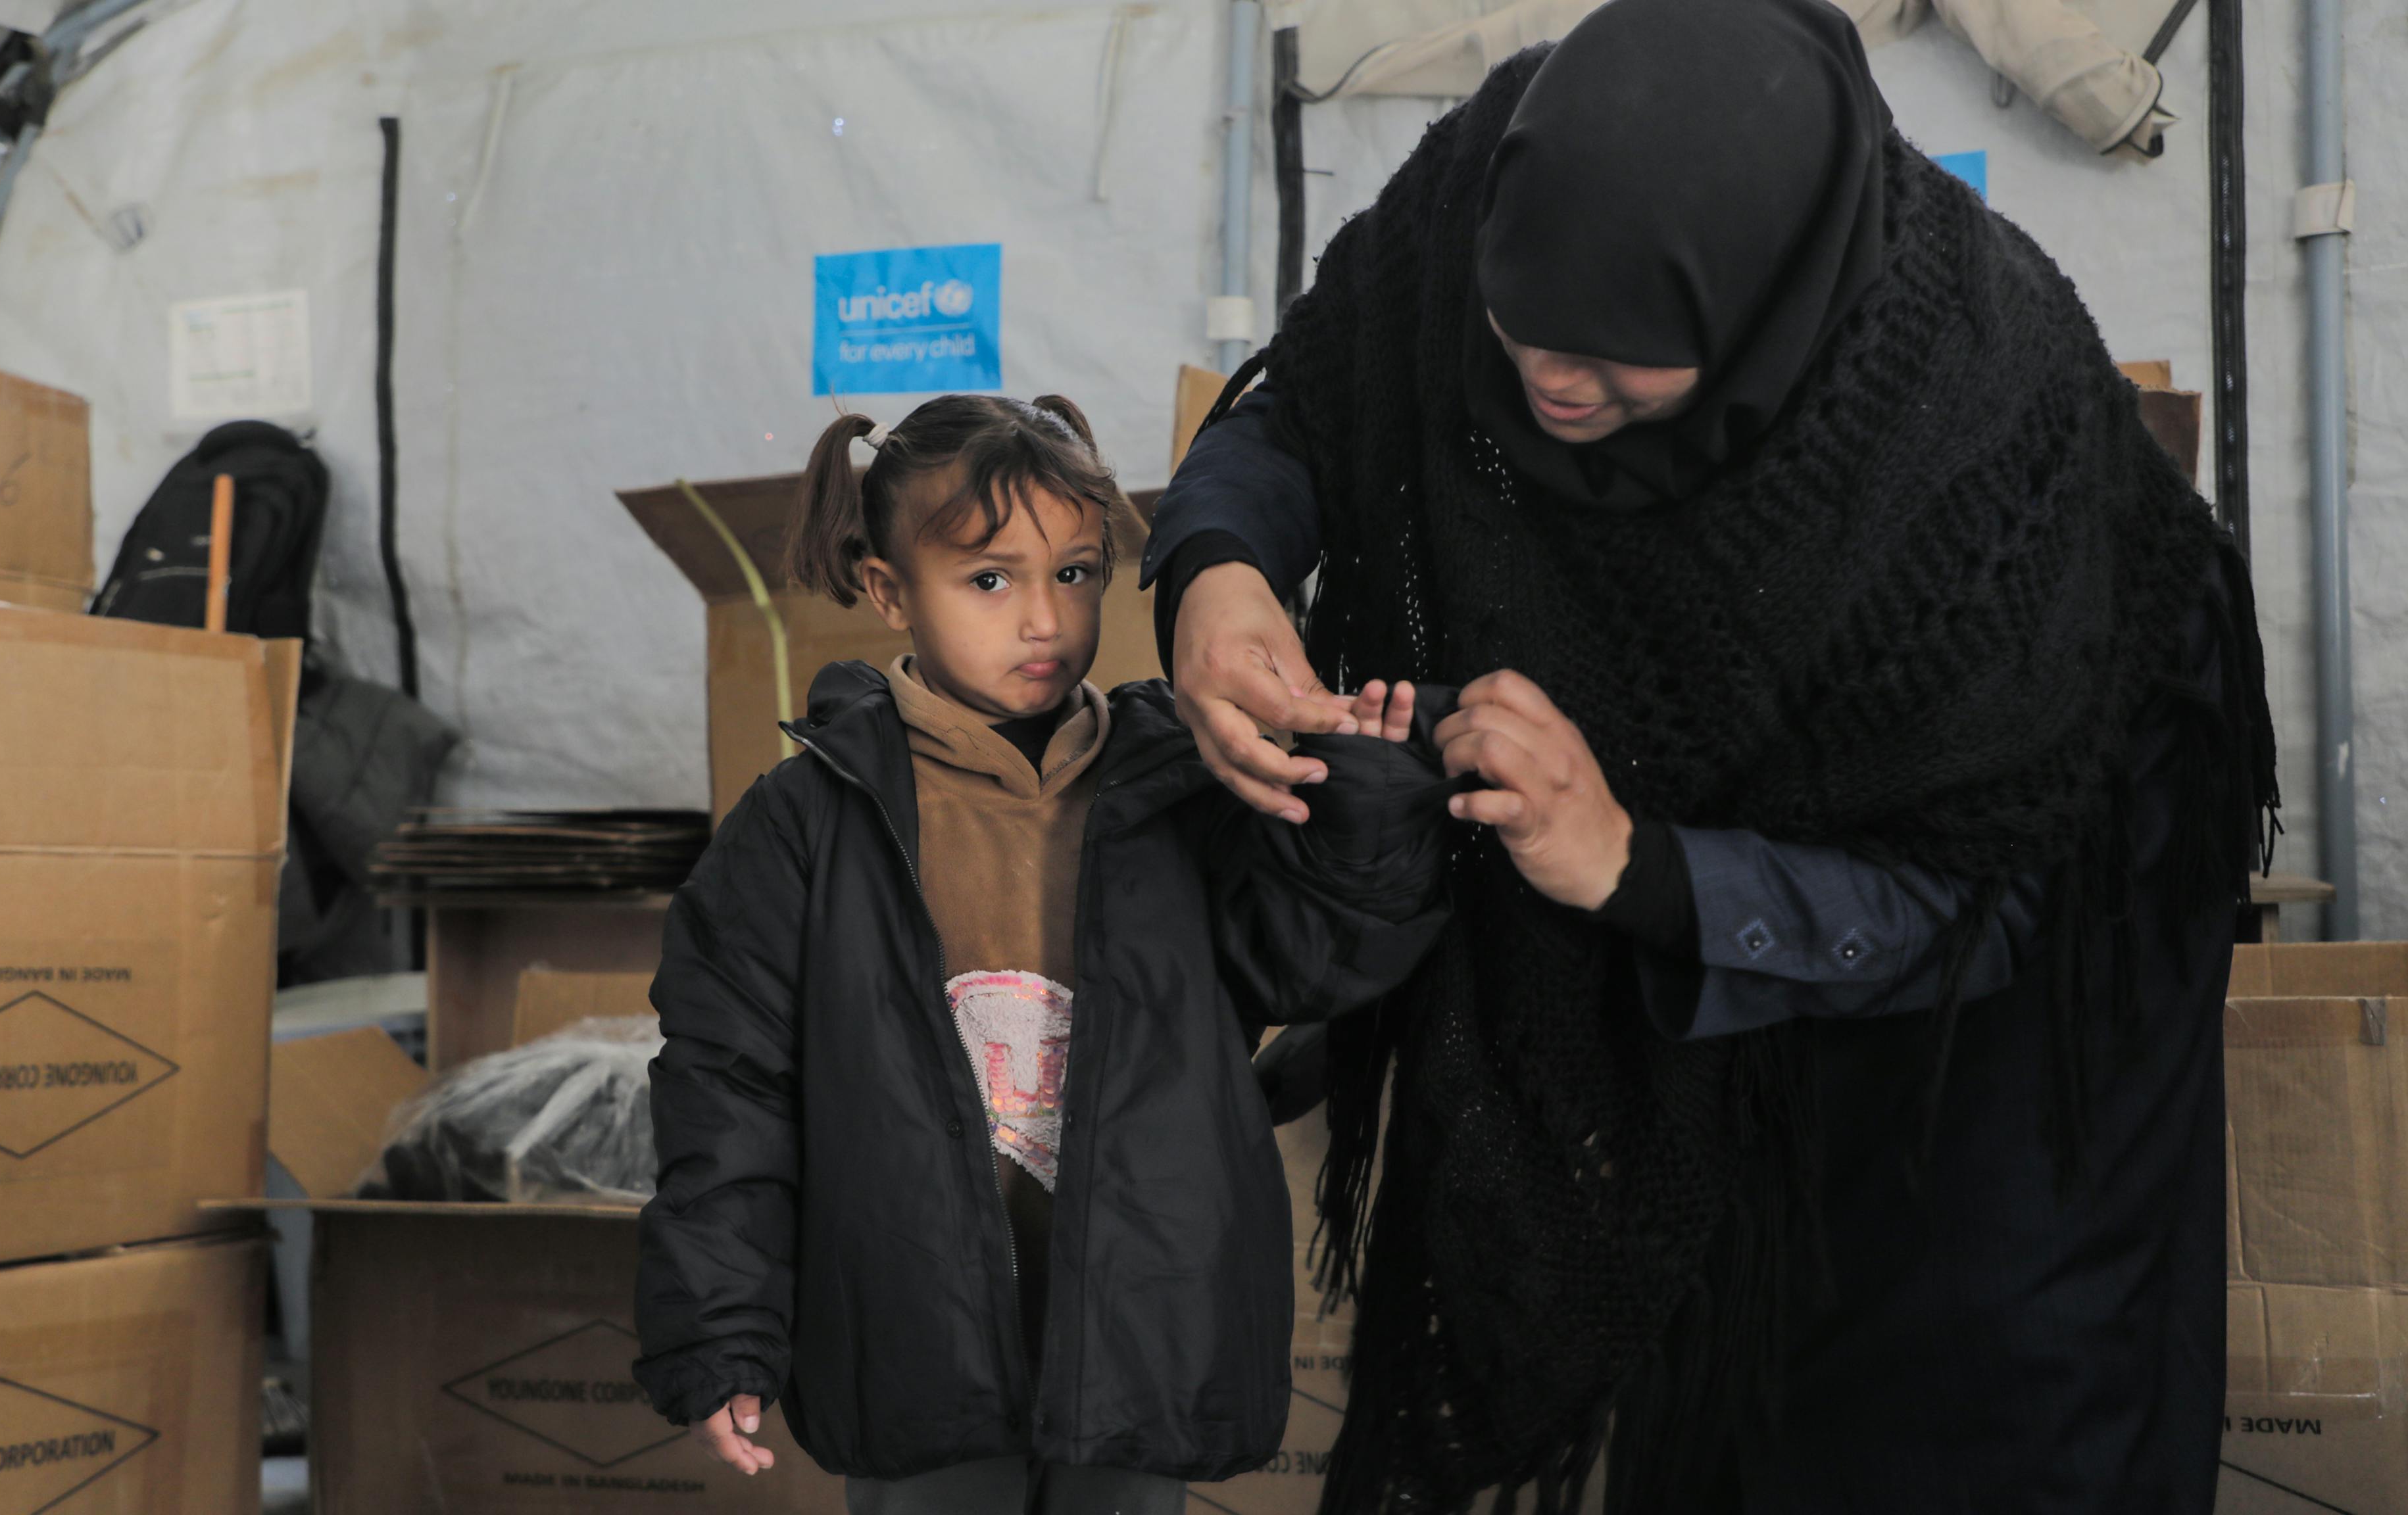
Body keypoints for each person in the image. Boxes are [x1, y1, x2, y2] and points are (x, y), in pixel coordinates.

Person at [1142, 2, 2277, 1512]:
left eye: (1616, 370)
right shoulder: (1486, 181)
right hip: (1711, 949)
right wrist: (1219, 565)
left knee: (1947, 1396)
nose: (1550, 394)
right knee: (1704, 1382)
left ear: (1759, 320)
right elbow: (1315, 400)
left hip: (1996, 1006)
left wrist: (1635, 862)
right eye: (1514, 339)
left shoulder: (1984, 463)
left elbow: (1981, 905)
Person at [629, 394, 1455, 1515]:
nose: (1045, 623)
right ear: (886, 591)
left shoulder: (1182, 783)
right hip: (912, 1335)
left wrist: (1362, 795)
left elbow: (1313, 963)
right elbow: (728, 1090)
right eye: (989, 579)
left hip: (1144, 1328)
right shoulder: (806, 825)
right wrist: (722, 1334)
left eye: (1075, 573)